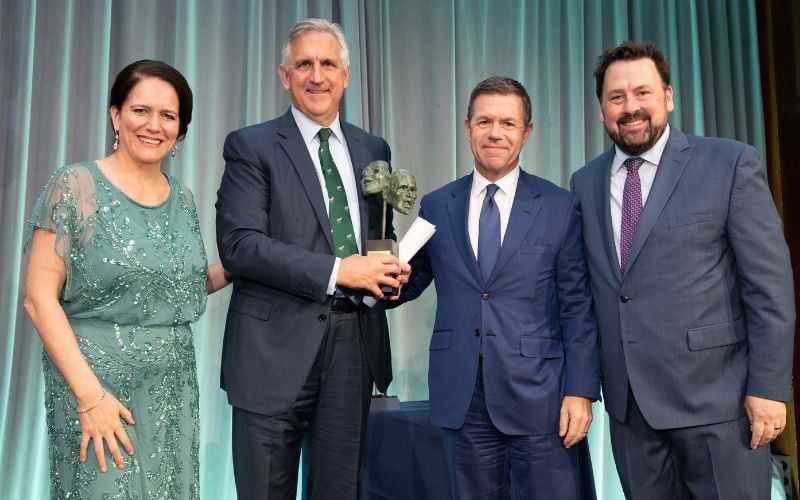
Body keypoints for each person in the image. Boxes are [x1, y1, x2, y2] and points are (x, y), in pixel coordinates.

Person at [570, 41, 795, 499]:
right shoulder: (585, 182)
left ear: (668, 97)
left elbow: (769, 286)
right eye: (616, 97)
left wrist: (769, 387)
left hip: (720, 405)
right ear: (601, 111)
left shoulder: (729, 163)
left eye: (643, 93)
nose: (630, 107)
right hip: (631, 411)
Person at [215, 18, 410, 499]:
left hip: (353, 346)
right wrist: (339, 271)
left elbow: (375, 238)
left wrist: (390, 270)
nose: (316, 76)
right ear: (285, 76)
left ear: (346, 75)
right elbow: (239, 244)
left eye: (328, 64)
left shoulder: (372, 149)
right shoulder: (251, 145)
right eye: (304, 64)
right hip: (271, 349)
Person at [23, 59, 230, 499]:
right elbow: (39, 300)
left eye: (168, 116)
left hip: (172, 390)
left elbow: (180, 288)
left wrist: (249, 261)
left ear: (180, 130)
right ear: (115, 115)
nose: (153, 125)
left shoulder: (184, 199)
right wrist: (90, 397)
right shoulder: (77, 184)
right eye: (141, 110)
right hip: (97, 388)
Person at [394, 76, 599, 499]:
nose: (495, 133)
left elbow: (578, 307)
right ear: (467, 127)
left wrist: (581, 392)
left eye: (508, 123)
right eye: (485, 121)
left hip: (541, 397)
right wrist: (376, 272)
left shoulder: (560, 206)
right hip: (462, 398)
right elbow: (409, 282)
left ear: (527, 132)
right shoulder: (437, 205)